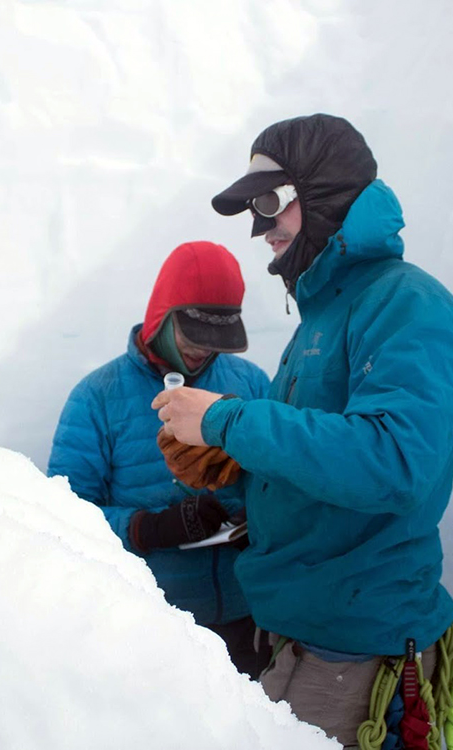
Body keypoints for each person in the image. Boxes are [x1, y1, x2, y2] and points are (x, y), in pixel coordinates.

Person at [152, 114, 453, 746]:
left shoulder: (405, 303)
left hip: (354, 654)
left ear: (322, 194)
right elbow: (316, 468)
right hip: (294, 635)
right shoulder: (319, 317)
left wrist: (228, 420)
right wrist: (231, 471)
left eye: (270, 202)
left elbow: (395, 461)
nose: (260, 228)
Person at [48, 240, 270, 678]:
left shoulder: (252, 384)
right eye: (193, 335)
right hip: (149, 627)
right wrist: (146, 528)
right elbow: (61, 515)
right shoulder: (97, 397)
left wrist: (259, 521)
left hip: (249, 620)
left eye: (217, 340)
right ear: (162, 315)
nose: (203, 350)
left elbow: (285, 481)